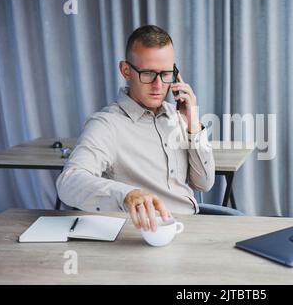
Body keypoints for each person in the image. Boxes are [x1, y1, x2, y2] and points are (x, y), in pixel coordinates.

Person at [56, 25, 217, 232]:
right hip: (144, 235)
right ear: (125, 70)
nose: (159, 85)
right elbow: (69, 182)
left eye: (166, 74)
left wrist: (193, 125)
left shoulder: (178, 117)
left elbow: (204, 184)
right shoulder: (106, 124)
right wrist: (127, 195)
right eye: (148, 73)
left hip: (191, 227)